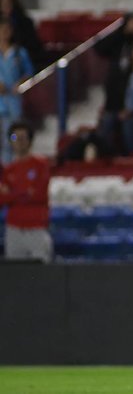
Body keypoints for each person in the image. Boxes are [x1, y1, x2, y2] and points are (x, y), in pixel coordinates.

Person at [0, 121, 51, 263]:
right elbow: (1, 200)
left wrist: (11, 193)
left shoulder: (41, 164)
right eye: (15, 138)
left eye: (23, 137)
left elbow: (38, 194)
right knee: (15, 277)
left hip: (36, 228)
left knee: (41, 275)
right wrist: (23, 193)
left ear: (30, 140)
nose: (19, 142)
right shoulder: (8, 170)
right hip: (13, 229)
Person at [0, 18, 33, 163]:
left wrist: (20, 83)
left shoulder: (19, 53)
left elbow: (29, 73)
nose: (4, 33)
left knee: (12, 138)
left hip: (14, 103)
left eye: (7, 30)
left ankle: (13, 168)